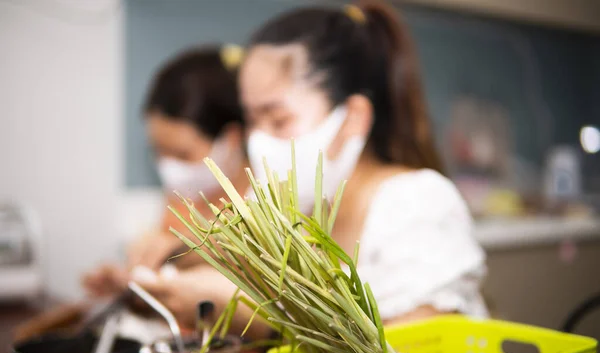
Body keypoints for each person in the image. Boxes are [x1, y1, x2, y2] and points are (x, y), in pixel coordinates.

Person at [240, 0, 488, 325]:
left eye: (279, 120)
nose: (258, 141)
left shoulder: (416, 203)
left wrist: (259, 316)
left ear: (353, 117)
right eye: (250, 120)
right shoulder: (287, 207)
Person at [83, 45, 249, 301]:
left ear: (231, 139)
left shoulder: (267, 199)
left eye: (182, 155)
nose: (169, 167)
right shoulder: (181, 199)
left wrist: (183, 250)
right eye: (159, 152)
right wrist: (129, 285)